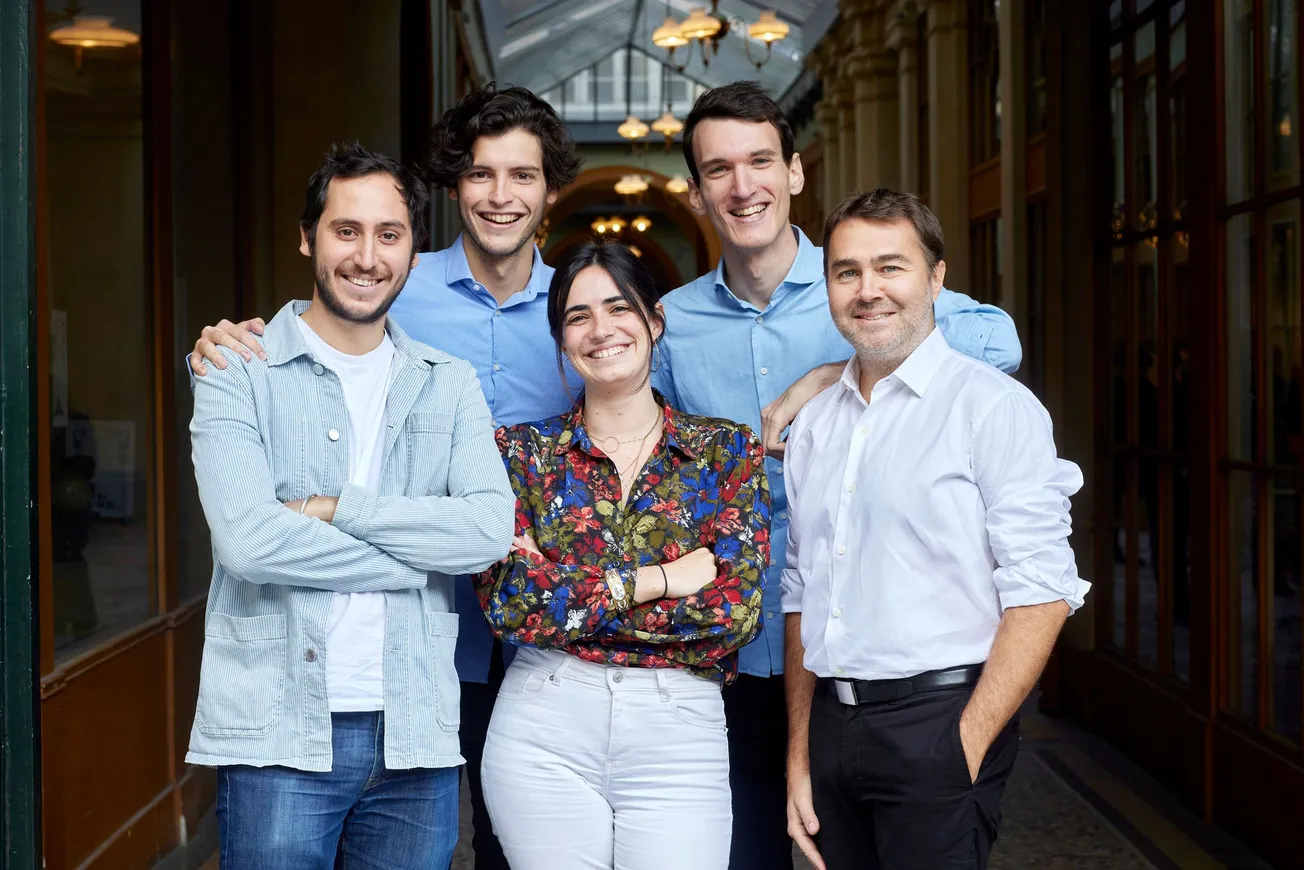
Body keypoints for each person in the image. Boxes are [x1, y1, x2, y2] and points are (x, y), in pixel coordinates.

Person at [185, 83, 581, 870]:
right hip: (279, 724)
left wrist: (332, 510)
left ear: (409, 246)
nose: (367, 256)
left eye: (388, 234)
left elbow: (481, 531)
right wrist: (425, 558)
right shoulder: (239, 369)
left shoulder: (456, 373)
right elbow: (251, 547)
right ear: (307, 239)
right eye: (346, 231)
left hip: (422, 717)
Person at [652, 80, 1023, 870]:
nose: (742, 186)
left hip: (869, 656)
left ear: (794, 171)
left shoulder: (864, 277)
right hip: (737, 651)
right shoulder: (673, 323)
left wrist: (835, 367)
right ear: (696, 193)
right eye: (718, 170)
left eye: (760, 161)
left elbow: (993, 344)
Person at [781, 189, 1090, 870]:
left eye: (891, 267)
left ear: (937, 279)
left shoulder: (992, 408)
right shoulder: (815, 426)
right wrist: (800, 754)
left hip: (940, 722)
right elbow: (801, 591)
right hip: (831, 728)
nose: (869, 291)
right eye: (847, 272)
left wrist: (965, 747)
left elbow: (1043, 592)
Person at [475, 240, 769, 870]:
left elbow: (734, 614)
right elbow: (511, 606)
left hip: (678, 727)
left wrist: (566, 589)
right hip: (542, 725)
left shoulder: (725, 452)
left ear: (654, 320)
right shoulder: (519, 454)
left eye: (618, 307)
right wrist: (663, 579)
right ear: (560, 338)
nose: (600, 329)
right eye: (578, 316)